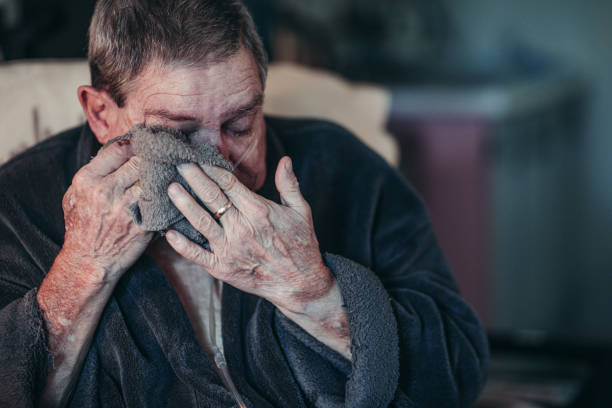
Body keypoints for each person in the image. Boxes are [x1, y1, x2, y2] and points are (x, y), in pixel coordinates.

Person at [0, 1, 488, 407]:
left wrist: (315, 296)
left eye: (240, 124)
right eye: (179, 134)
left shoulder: (346, 169)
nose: (222, 162)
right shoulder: (20, 201)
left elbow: (459, 366)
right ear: (102, 114)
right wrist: (83, 269)